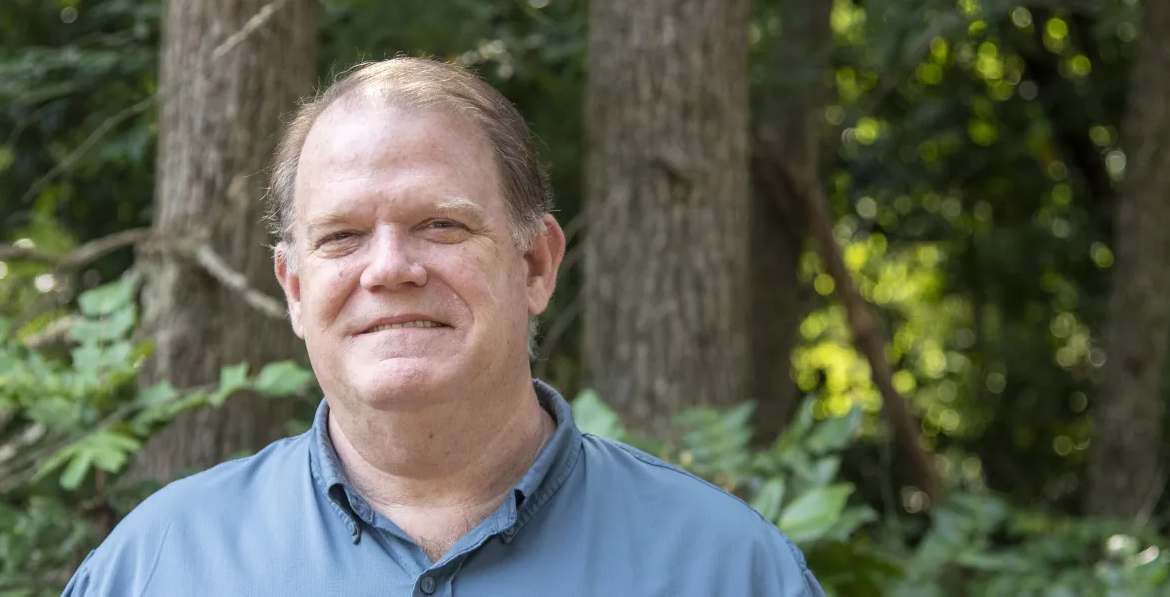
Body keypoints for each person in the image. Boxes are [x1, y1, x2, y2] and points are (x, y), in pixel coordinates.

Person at [61, 57, 825, 596]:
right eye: (342, 237)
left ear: (535, 265)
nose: (390, 268)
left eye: (439, 225)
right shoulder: (156, 566)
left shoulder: (728, 570)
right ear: (294, 288)